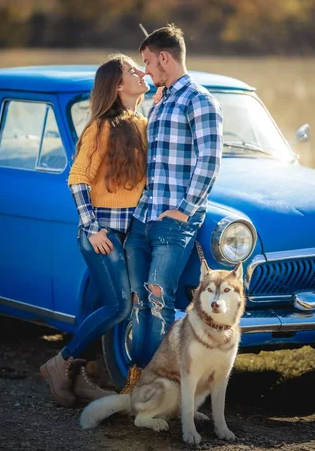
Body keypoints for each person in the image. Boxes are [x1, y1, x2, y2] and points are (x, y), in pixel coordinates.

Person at [40, 54, 149, 407]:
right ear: (118, 86)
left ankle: (82, 375)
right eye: (133, 70)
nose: (141, 72)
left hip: (128, 234)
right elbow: (77, 180)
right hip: (101, 235)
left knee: (95, 307)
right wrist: (93, 228)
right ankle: (60, 363)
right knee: (118, 306)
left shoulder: (142, 123)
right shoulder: (100, 127)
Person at [124, 24, 223, 387]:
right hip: (143, 217)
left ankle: (156, 384)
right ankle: (136, 379)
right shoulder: (162, 99)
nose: (146, 70)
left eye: (148, 62)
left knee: (158, 302)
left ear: (165, 57)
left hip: (173, 221)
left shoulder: (199, 100)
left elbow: (209, 161)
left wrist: (185, 208)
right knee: (137, 300)